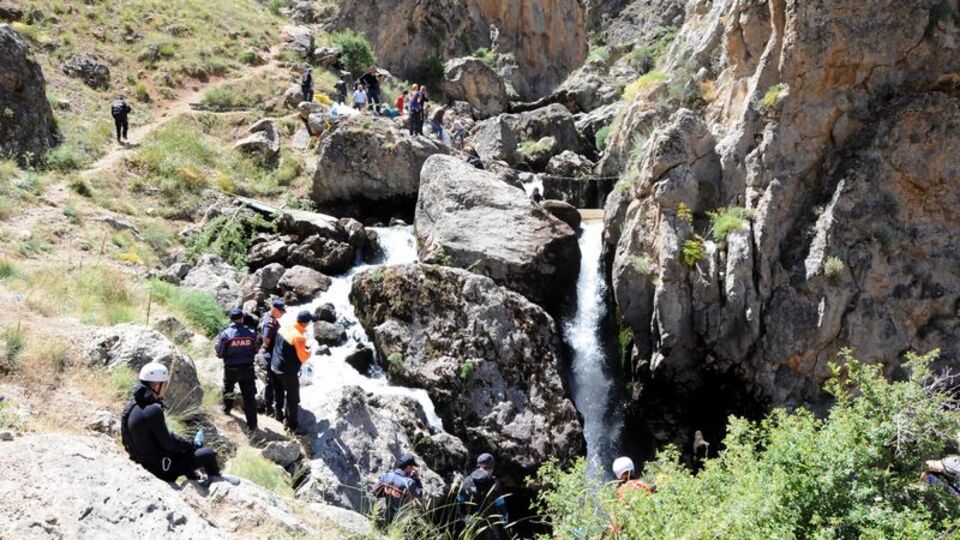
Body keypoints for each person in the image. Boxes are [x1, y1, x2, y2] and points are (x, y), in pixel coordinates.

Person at [120, 362, 239, 485]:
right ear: (156, 386)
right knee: (209, 453)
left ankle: (194, 477)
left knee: (184, 448)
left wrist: (185, 444)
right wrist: (193, 445)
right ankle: (216, 479)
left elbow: (129, 440)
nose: (165, 389)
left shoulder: (130, 406)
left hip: (146, 464)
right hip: (163, 470)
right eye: (164, 385)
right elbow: (169, 445)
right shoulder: (153, 409)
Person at [215, 308, 258, 432]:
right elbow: (256, 350)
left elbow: (220, 353)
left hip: (232, 368)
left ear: (231, 319)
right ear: (242, 318)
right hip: (248, 368)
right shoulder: (251, 333)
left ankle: (227, 410)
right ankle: (252, 425)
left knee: (228, 388)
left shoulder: (226, 334)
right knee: (249, 397)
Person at [271, 309, 313, 434]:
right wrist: (310, 350)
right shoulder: (299, 337)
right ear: (306, 323)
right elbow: (303, 357)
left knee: (278, 392)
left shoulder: (284, 327)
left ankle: (278, 415)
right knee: (293, 398)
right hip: (287, 371)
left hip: (274, 366)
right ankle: (292, 426)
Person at [457, 453, 509, 540]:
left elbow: (460, 503)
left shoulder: (466, 481)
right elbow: (501, 505)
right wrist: (505, 522)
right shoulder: (493, 482)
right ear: (491, 467)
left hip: (471, 526)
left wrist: (465, 519)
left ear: (478, 465)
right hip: (489, 526)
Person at [372, 453, 424, 525]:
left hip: (383, 514)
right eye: (412, 467)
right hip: (398, 521)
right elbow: (420, 494)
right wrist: (417, 479)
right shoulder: (409, 483)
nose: (413, 469)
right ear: (408, 467)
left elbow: (374, 490)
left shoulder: (387, 475)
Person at [258, 299, 286, 419]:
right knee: (276, 383)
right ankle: (276, 411)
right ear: (275, 310)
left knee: (270, 382)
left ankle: (269, 408)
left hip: (270, 353)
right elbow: (266, 341)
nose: (283, 314)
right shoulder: (270, 323)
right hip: (270, 354)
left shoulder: (268, 318)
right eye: (281, 311)